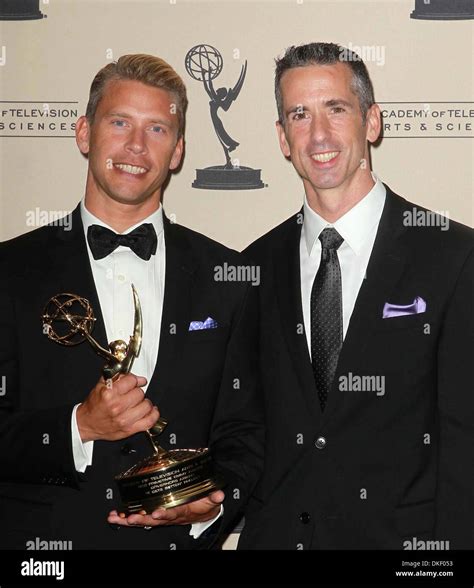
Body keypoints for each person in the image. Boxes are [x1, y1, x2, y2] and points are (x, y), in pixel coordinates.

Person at [0, 54, 263, 549]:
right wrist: (80, 425)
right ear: (84, 133)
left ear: (179, 151)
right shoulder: (10, 272)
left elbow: (246, 429)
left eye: (157, 129)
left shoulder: (228, 276)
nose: (136, 146)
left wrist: (214, 502)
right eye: (119, 122)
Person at [238, 42, 473, 550]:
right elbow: (245, 431)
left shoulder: (453, 257)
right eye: (299, 114)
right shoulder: (251, 268)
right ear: (282, 138)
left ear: (372, 122)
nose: (318, 134)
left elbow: (465, 443)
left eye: (336, 109)